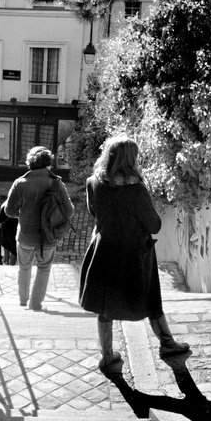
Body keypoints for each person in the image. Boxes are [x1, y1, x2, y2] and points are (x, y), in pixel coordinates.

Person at [78, 135, 191, 375]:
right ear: (131, 159)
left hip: (104, 250)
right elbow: (154, 225)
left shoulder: (93, 183)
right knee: (151, 298)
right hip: (135, 253)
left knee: (104, 304)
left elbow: (93, 211)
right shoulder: (136, 190)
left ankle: (107, 356)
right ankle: (167, 343)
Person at [2, 146, 73, 311]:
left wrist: (23, 214)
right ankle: (35, 304)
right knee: (44, 269)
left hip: (26, 235)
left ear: (29, 164)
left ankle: (22, 301)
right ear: (48, 164)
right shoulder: (56, 183)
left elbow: (9, 211)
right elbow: (69, 212)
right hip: (48, 236)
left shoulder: (20, 183)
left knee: (24, 268)